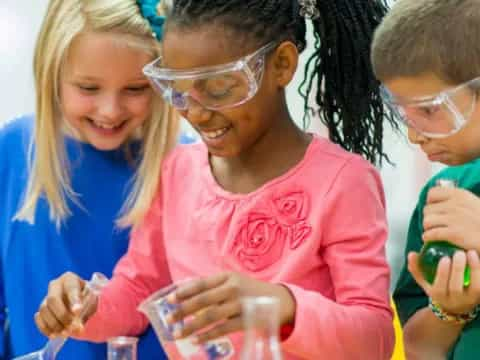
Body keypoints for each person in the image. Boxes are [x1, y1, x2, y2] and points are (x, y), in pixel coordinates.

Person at [35, 1, 396, 359]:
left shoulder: (344, 182)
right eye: (177, 88)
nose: (196, 112)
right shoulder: (178, 171)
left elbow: (375, 340)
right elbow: (136, 290)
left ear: (282, 65)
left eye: (219, 89)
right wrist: (87, 306)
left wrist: (282, 306)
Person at [0, 0, 178, 358]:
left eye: (135, 88)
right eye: (88, 88)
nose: (110, 110)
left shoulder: (185, 167)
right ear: (53, 75)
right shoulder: (14, 151)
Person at [371, 0, 480, 358]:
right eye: (403, 113)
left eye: (429, 110)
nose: (415, 135)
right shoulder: (444, 196)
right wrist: (451, 311)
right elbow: (419, 349)